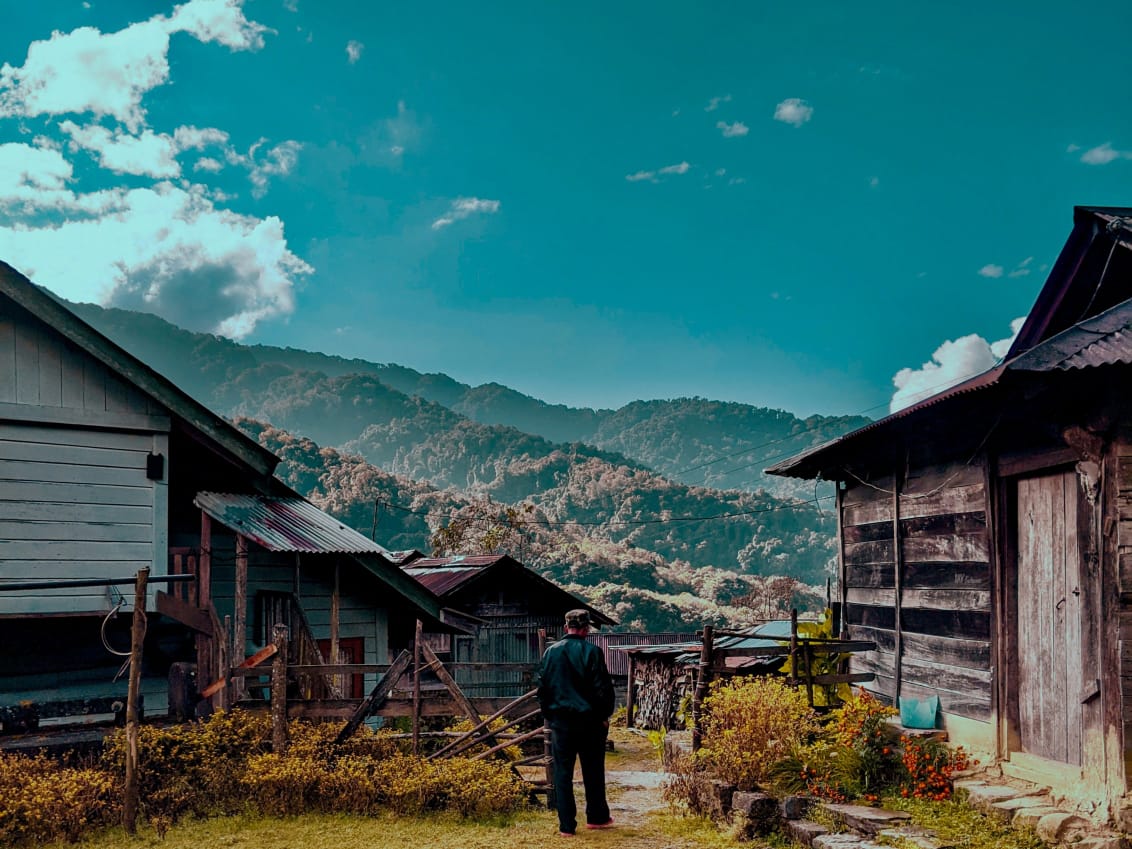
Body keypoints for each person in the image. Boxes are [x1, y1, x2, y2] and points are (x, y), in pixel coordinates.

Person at [536, 609, 615, 837]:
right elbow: (603, 690)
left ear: (565, 627)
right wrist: (603, 717)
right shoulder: (593, 652)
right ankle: (597, 818)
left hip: (561, 722)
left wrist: (550, 715)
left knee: (562, 773)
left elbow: (543, 690)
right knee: (593, 771)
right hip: (590, 723)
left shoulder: (551, 653)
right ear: (586, 628)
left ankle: (567, 826)